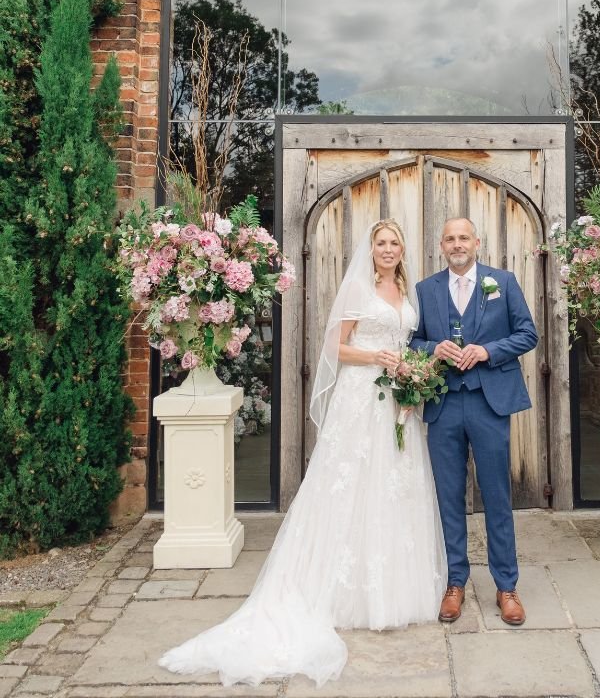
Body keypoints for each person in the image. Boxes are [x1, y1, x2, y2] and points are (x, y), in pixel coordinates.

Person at [159, 219, 446, 687]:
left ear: (402, 249)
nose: (388, 249)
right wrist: (377, 358)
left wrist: (410, 376)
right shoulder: (358, 289)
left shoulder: (407, 291)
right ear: (369, 248)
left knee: (394, 481)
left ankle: (392, 589)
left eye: (395, 242)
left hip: (397, 398)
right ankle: (336, 591)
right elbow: (336, 347)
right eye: (381, 243)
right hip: (362, 396)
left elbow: (406, 342)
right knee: (351, 480)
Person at [410, 217, 538, 626]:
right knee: (448, 497)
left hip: (489, 403)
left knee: (497, 496)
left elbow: (527, 334)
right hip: (444, 403)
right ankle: (455, 582)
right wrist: (434, 347)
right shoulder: (426, 289)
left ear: (477, 242)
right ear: (441, 246)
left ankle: (506, 586)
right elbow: (411, 340)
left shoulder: (503, 281)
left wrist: (486, 351)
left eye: (463, 237)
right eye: (449, 238)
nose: (457, 244)